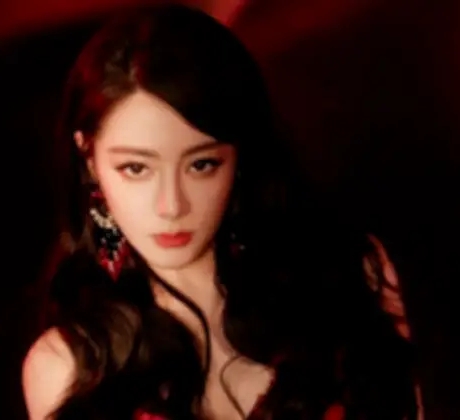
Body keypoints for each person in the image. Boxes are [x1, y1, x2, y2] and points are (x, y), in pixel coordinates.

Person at [22, 5, 419, 420]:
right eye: (136, 169)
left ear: (239, 155)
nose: (172, 206)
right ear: (89, 158)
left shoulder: (351, 275)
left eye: (201, 164)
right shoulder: (68, 367)